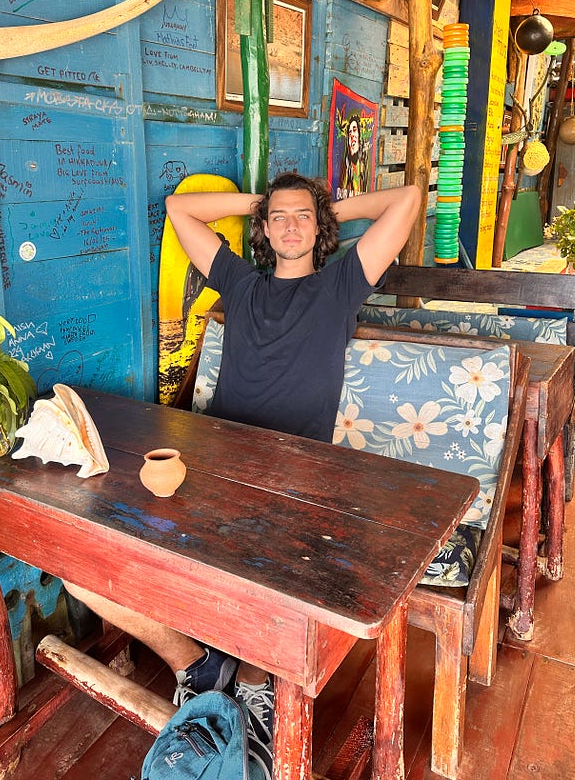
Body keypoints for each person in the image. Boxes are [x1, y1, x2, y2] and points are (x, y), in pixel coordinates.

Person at [65, 172, 420, 778]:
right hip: (218, 469)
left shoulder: (341, 285)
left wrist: (318, 208)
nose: (290, 226)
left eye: (302, 218)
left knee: (274, 589)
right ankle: (195, 666)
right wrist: (268, 205)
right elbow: (179, 208)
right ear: (263, 229)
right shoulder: (239, 281)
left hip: (299, 484)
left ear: (320, 228)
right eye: (278, 218)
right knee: (82, 576)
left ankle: (252, 681)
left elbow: (407, 198)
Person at [338, 114, 365, 198]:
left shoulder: (362, 165)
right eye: (350, 133)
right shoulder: (345, 165)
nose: (352, 135)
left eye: (354, 130)